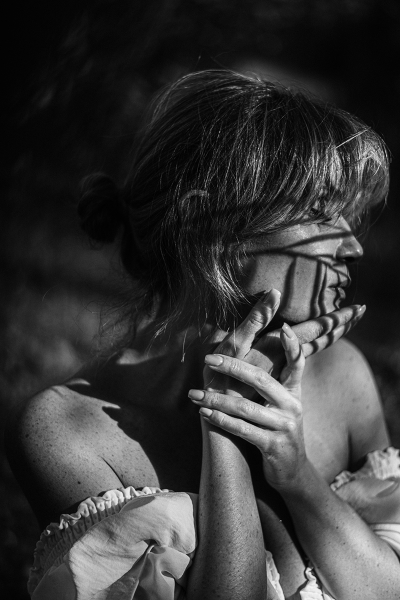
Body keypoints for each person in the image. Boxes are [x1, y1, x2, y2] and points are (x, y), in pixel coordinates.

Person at [5, 70, 398, 600]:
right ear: (207, 229)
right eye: (319, 211)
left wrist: (298, 475)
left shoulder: (341, 374)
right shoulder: (66, 432)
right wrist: (225, 428)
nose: (353, 247)